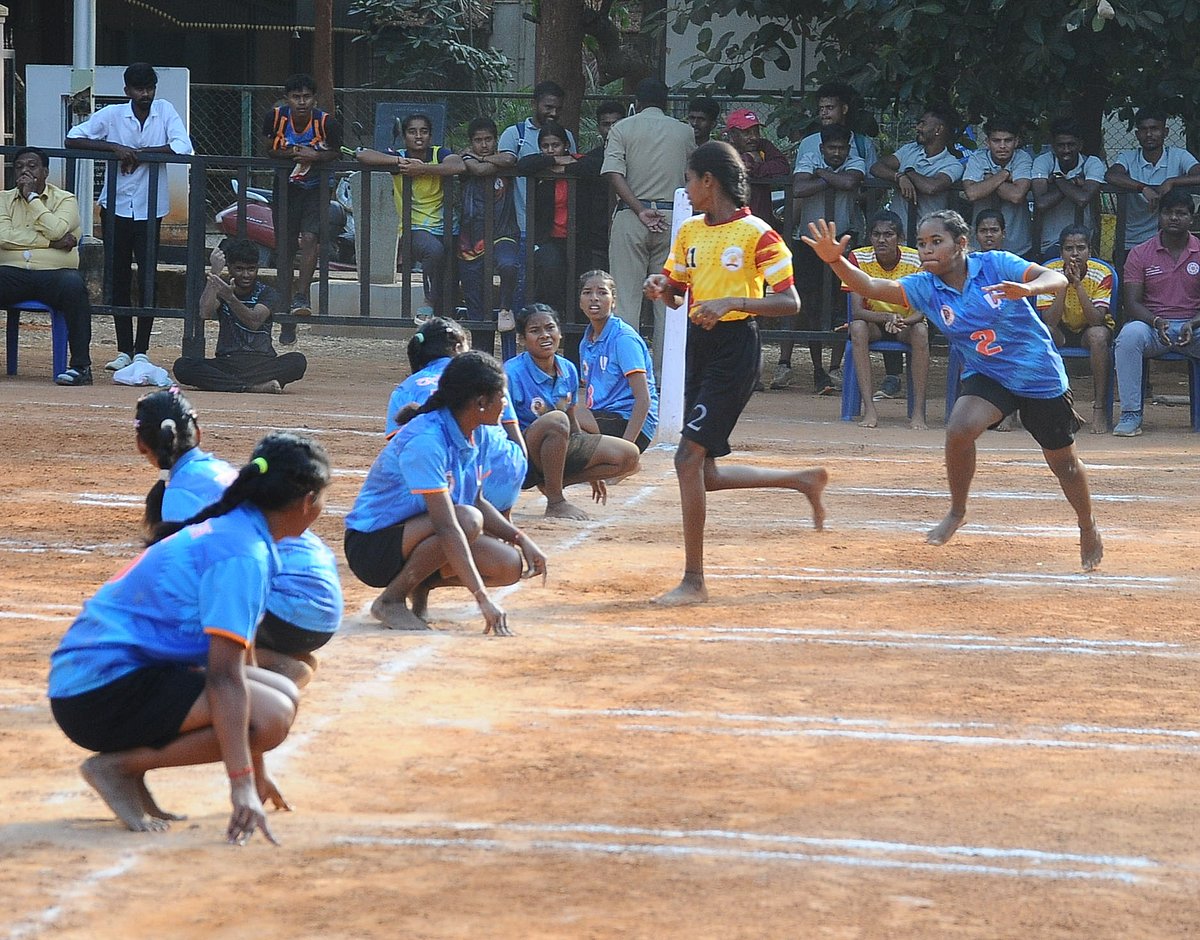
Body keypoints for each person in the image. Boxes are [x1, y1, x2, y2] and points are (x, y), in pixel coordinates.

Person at [48, 431, 330, 839]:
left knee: (280, 695)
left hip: (108, 679)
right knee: (272, 716)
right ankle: (117, 767)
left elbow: (242, 652)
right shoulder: (243, 554)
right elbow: (224, 677)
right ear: (307, 501)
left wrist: (258, 769)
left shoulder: (243, 532)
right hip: (95, 695)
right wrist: (242, 786)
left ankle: (128, 768)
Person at [804, 211, 1102, 572]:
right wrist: (835, 260)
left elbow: (1052, 277)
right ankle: (957, 510)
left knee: (1064, 465)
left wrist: (1028, 288)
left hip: (1038, 377)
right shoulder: (926, 286)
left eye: (935, 242)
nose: (926, 250)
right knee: (959, 428)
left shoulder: (994, 264)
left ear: (961, 244)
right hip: (988, 375)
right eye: (922, 243)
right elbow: (870, 287)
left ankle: (1087, 525)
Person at [644, 141, 829, 606]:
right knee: (701, 471)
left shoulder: (759, 234)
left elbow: (790, 303)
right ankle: (800, 480)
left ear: (709, 181)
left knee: (686, 460)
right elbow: (675, 293)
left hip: (735, 348)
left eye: (689, 180)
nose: (686, 190)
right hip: (700, 347)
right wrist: (660, 288)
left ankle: (694, 580)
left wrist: (733, 302)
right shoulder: (688, 232)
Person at [133, 389, 342, 689]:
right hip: (316, 604)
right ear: (199, 433)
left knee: (184, 609)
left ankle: (272, 667)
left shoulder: (179, 494)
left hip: (298, 609)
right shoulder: (216, 471)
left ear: (142, 444)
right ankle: (272, 658)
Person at [345, 351, 548, 633]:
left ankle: (417, 588)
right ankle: (391, 600)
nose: (505, 404)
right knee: (467, 520)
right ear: (479, 403)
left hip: (418, 533)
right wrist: (482, 598)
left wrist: (520, 538)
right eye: (501, 397)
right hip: (373, 546)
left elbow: (475, 498)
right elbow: (448, 526)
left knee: (508, 564)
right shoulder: (427, 440)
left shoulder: (481, 433)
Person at [65, 62, 193, 369]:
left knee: (149, 278)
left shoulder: (164, 110)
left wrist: (142, 155)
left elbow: (183, 146)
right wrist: (115, 148)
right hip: (117, 206)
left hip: (151, 209)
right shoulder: (112, 115)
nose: (145, 94)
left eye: (149, 88)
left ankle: (142, 351)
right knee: (118, 277)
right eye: (139, 89)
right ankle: (124, 350)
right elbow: (72, 137)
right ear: (127, 91)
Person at [504, 304, 641, 520]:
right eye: (534, 331)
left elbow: (572, 422)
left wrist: (588, 456)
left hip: (555, 449)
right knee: (555, 420)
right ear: (522, 339)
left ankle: (550, 482)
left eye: (550, 328)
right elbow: (499, 426)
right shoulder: (511, 374)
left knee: (629, 456)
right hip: (520, 456)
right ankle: (556, 501)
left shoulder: (567, 368)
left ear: (559, 332)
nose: (545, 335)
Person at [385, 316, 528, 520]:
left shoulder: (405, 389)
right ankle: (502, 525)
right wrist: (517, 474)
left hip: (451, 484)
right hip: (507, 474)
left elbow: (400, 452)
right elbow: (515, 438)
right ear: (458, 347)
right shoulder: (487, 375)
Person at [602, 78, 696, 375]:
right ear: (666, 102)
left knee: (626, 300)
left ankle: (628, 374)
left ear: (637, 101)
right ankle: (665, 377)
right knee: (669, 300)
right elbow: (691, 174)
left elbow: (614, 173)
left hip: (631, 216)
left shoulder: (622, 128)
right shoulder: (684, 131)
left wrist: (640, 209)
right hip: (673, 218)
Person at [355, 113, 465, 318]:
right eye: (412, 132)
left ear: (431, 136)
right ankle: (428, 302)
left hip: (447, 225)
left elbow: (458, 165)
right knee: (434, 251)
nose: (418, 136)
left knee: (450, 276)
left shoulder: (438, 153)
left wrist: (423, 169)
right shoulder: (400, 157)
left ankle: (444, 322)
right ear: (405, 136)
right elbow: (362, 154)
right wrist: (400, 161)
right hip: (414, 226)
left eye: (424, 131)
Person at [0, 147, 93, 386]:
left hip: (55, 275)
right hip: (12, 273)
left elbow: (58, 228)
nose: (24, 171)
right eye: (19, 166)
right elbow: (3, 236)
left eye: (32, 166)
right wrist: (51, 243)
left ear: (45, 172)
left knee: (75, 286)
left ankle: (81, 367)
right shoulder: (3, 199)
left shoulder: (65, 199)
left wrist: (32, 198)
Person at [1112, 190, 1200, 437]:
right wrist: (1156, 321)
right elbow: (1131, 303)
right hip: (1153, 327)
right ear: (1159, 216)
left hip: (1194, 328)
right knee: (1129, 335)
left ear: (1191, 219)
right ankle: (1130, 414)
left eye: (1181, 213)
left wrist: (1193, 323)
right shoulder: (1141, 253)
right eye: (1168, 212)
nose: (1174, 218)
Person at [786, 125, 867, 392]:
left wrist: (820, 177)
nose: (836, 153)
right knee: (810, 305)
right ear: (822, 148)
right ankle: (817, 368)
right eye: (831, 148)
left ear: (848, 149)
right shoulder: (810, 158)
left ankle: (835, 368)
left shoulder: (856, 161)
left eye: (840, 148)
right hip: (808, 241)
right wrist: (828, 176)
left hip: (842, 239)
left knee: (839, 304)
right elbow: (799, 188)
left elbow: (849, 182)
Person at [261, 74, 341, 340]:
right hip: (286, 187)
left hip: (316, 187)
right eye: (296, 97)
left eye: (307, 97)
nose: (302, 102)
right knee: (284, 248)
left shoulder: (326, 122)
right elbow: (268, 148)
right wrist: (296, 153)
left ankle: (301, 295)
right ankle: (286, 314)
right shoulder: (275, 118)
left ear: (314, 99)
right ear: (288, 99)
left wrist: (316, 156)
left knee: (310, 238)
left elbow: (336, 151)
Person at [172, 238, 307, 393]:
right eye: (239, 269)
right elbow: (205, 312)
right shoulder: (223, 288)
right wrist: (214, 273)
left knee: (297, 361)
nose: (246, 275)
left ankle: (232, 385)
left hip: (261, 363)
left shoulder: (266, 292)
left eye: (251, 269)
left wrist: (231, 298)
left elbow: (254, 320)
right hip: (228, 362)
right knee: (183, 366)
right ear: (229, 268)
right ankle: (250, 387)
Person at [496, 81, 578, 313]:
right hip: (521, 224)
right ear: (535, 104)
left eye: (558, 109)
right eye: (548, 106)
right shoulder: (515, 134)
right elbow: (513, 163)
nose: (553, 113)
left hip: (554, 227)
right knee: (519, 291)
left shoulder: (567, 135)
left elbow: (573, 166)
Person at [844, 210, 928, 428]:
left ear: (899, 239)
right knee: (858, 328)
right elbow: (857, 310)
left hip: (906, 325)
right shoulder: (858, 257)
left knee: (921, 331)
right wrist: (886, 316)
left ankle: (918, 412)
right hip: (873, 322)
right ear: (869, 237)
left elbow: (921, 312)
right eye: (876, 234)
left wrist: (901, 321)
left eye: (888, 234)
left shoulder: (916, 258)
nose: (882, 240)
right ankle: (869, 410)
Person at [1035, 224, 1115, 433]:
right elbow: (1050, 321)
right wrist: (1063, 284)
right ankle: (1048, 408)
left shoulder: (1102, 273)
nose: (1075, 254)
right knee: (1043, 334)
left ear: (1090, 250)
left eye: (1081, 248)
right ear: (1061, 251)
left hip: (1089, 329)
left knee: (1098, 336)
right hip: (1061, 328)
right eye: (1069, 249)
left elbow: (1097, 320)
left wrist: (1078, 285)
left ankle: (1099, 409)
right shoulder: (1048, 272)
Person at [576, 269, 659, 452]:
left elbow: (643, 399)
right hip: (603, 417)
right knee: (565, 431)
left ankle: (622, 461)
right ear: (580, 302)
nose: (594, 298)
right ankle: (603, 473)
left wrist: (627, 450)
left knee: (564, 417)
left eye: (602, 292)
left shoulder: (623, 339)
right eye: (587, 292)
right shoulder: (586, 341)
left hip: (631, 423)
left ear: (614, 301)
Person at [457, 117, 520, 347]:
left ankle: (504, 309)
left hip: (503, 230)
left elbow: (505, 159)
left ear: (496, 140)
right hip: (471, 236)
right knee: (475, 299)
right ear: (470, 142)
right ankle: (482, 356)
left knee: (508, 264)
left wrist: (482, 160)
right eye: (478, 141)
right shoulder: (464, 160)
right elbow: (475, 169)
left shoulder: (506, 160)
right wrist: (478, 161)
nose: (483, 144)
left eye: (488, 139)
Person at [1106, 107, 1200, 253]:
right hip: (1132, 240)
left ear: (1165, 132)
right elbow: (1111, 175)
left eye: (1154, 129)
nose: (1149, 134)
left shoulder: (1178, 155)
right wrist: (1143, 188)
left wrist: (1171, 181)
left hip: (1169, 240)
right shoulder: (1128, 157)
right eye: (1143, 129)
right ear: (1137, 134)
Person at [870, 105, 964, 241]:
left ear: (938, 129)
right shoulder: (909, 150)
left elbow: (932, 187)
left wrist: (908, 173)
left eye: (923, 123)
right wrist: (898, 177)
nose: (918, 128)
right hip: (898, 239)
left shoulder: (952, 164)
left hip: (928, 240)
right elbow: (876, 167)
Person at [1031, 118, 1106, 259]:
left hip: (1083, 243)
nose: (1066, 150)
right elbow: (1041, 203)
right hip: (1050, 243)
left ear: (1080, 144)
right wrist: (1071, 183)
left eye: (1071, 145)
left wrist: (1058, 179)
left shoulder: (1092, 163)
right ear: (1053, 146)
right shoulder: (1044, 161)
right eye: (1061, 145)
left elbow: (1082, 199)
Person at [962, 117, 1034, 257]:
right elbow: (972, 193)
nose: (1002, 146)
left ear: (1016, 141)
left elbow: (1016, 195)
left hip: (1017, 247)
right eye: (996, 141)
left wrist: (989, 179)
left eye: (1008, 140)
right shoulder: (978, 158)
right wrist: (1004, 174)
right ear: (988, 142)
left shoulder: (1022, 158)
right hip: (980, 249)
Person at [724, 108, 790, 228]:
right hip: (733, 224)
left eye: (756, 131)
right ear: (732, 135)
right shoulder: (724, 151)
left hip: (762, 222)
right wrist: (749, 160)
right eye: (747, 132)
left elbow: (783, 167)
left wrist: (755, 167)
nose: (754, 137)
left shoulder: (763, 145)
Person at [795, 82, 879, 168]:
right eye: (821, 108)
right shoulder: (807, 144)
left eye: (830, 107)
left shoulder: (864, 145)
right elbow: (799, 177)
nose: (824, 112)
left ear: (844, 109)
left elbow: (872, 180)